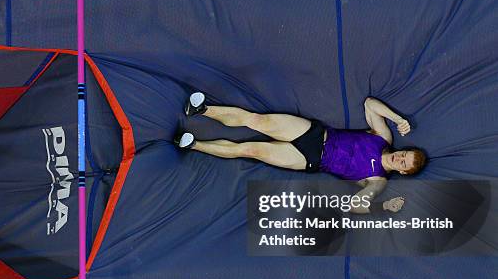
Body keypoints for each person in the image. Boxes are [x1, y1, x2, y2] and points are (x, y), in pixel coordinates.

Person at [175, 93, 426, 214]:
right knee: (257, 121)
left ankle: (193, 145)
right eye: (404, 153)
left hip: (310, 160)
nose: (399, 157)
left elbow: (355, 206)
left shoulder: (378, 180)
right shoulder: (383, 138)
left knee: (249, 149)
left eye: (403, 162)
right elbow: (369, 104)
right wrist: (397, 118)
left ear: (403, 170)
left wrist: (383, 208)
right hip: (317, 134)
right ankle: (201, 109)